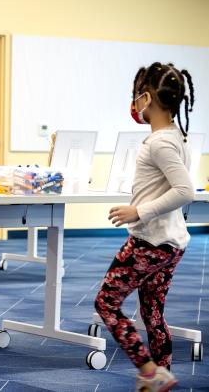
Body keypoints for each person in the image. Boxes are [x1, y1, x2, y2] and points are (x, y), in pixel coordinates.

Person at [95, 62, 196, 391]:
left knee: (106, 303)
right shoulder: (173, 137)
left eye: (137, 96)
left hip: (149, 243)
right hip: (170, 243)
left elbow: (184, 191)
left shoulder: (159, 143)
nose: (134, 103)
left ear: (148, 98)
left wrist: (138, 211)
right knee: (152, 310)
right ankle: (162, 377)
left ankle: (151, 372)